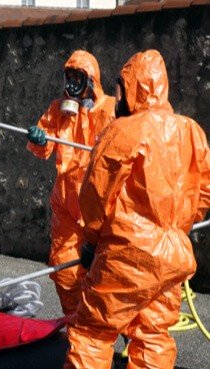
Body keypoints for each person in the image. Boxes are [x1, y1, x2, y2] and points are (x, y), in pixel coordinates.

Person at [64, 49, 210, 369]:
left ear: (134, 87)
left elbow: (95, 194)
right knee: (153, 334)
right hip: (172, 255)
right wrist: (177, 229)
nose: (117, 97)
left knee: (92, 332)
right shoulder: (190, 131)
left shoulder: (124, 131)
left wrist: (92, 239)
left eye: (121, 88)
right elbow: (203, 194)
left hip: (126, 254)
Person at [26, 50, 116, 317]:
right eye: (69, 77)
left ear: (92, 81)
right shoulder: (59, 110)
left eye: (79, 78)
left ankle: (108, 333)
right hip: (66, 209)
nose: (73, 84)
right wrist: (39, 139)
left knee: (110, 277)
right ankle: (76, 329)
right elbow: (44, 146)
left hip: (102, 211)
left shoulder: (110, 110)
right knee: (65, 272)